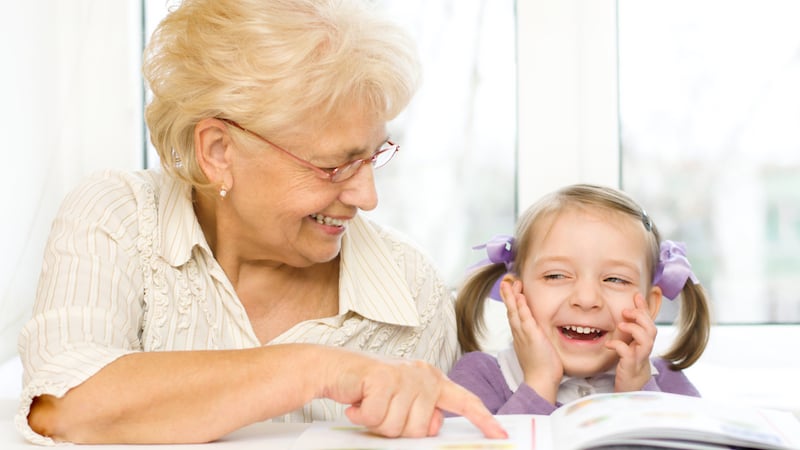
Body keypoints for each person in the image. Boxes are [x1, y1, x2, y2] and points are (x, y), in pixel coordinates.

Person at [16, 0, 507, 444]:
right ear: (218, 151)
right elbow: (63, 409)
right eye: (334, 165)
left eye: (373, 156)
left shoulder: (408, 291)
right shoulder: (117, 215)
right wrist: (317, 369)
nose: (367, 197)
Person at [449, 184, 711, 415]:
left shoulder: (666, 383)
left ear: (651, 304)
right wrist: (539, 385)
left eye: (615, 279)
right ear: (515, 294)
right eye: (555, 275)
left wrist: (638, 397)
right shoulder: (480, 378)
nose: (586, 299)